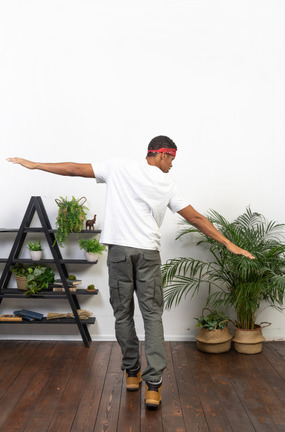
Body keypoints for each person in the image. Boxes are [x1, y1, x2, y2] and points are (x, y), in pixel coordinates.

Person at [7, 135, 254, 409]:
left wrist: (35, 164)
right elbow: (195, 218)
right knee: (152, 316)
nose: (172, 166)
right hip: (148, 253)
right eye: (172, 159)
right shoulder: (166, 184)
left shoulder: (118, 167)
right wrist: (229, 244)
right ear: (162, 154)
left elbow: (76, 169)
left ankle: (132, 373)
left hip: (120, 252)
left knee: (122, 312)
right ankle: (154, 387)